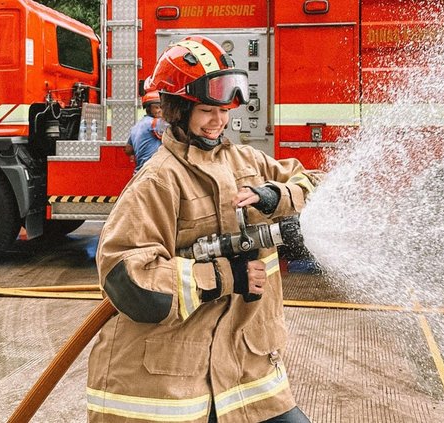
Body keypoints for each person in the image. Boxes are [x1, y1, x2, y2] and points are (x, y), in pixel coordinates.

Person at [87, 35, 322, 423]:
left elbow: (313, 185)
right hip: (175, 385)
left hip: (248, 374)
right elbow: (125, 276)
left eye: (224, 110)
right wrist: (224, 276)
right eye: (207, 110)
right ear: (178, 110)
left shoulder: (247, 161)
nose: (220, 121)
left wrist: (273, 197)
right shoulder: (159, 182)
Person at [124, 90, 166, 174]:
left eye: (162, 107)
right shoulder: (156, 123)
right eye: (157, 107)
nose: (160, 110)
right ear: (148, 108)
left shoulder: (137, 126)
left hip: (138, 173)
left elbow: (128, 150)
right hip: (152, 173)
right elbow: (177, 135)